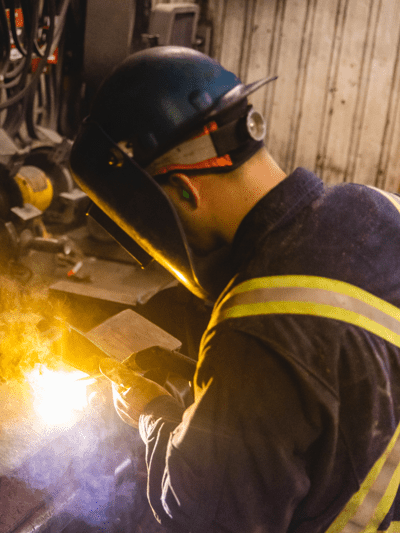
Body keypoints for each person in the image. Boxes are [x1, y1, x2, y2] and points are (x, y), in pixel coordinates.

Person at [69, 46, 400, 532]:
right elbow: (334, 385)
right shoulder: (377, 207)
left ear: (183, 191)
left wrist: (153, 412)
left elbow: (207, 515)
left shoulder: (257, 329)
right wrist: (208, 385)